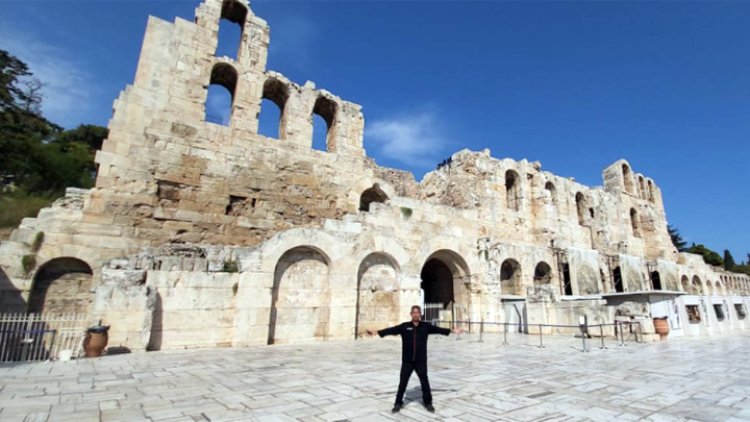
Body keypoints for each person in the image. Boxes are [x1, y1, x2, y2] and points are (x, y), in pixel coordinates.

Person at [366, 305, 463, 413]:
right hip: (407, 361)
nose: (416, 314)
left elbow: (439, 329)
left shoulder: (425, 326)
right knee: (402, 383)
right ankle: (398, 403)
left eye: (417, 312)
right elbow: (391, 330)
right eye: (414, 312)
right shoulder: (404, 326)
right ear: (411, 314)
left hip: (420, 361)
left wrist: (453, 331)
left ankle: (428, 403)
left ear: (420, 314)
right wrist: (377, 332)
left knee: (424, 382)